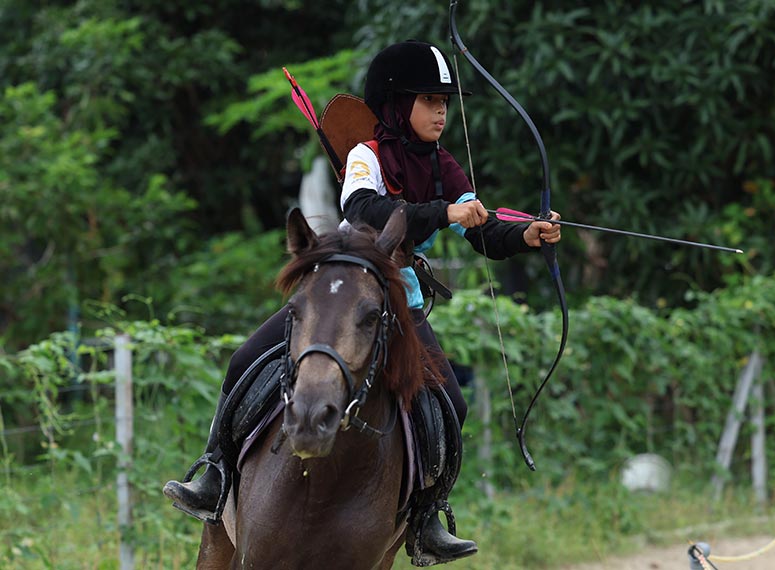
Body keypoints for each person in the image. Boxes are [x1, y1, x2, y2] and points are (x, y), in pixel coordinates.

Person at [163, 39, 561, 566]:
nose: (441, 110)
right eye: (428, 99)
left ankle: (424, 518)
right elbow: (366, 210)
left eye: (445, 101)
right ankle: (216, 477)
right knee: (243, 361)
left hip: (401, 301)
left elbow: (483, 234)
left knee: (451, 404)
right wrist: (443, 214)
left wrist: (526, 236)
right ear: (398, 103)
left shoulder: (447, 168)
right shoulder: (365, 154)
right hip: (343, 288)